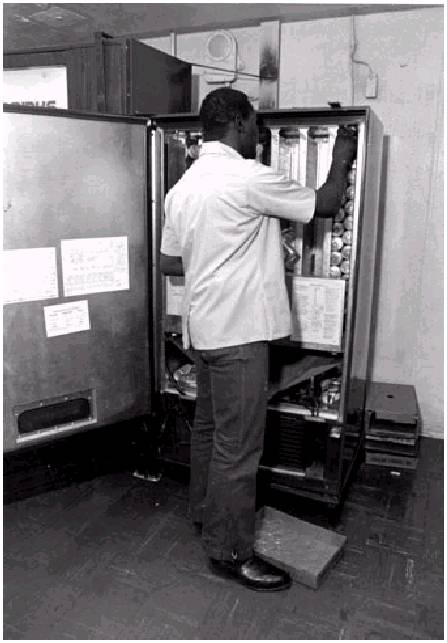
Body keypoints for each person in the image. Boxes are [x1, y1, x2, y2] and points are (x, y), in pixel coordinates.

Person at [160, 88, 356, 591]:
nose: (258, 135)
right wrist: (342, 153)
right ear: (240, 124)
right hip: (240, 334)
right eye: (255, 125)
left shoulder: (183, 188)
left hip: (204, 331)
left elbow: (168, 262)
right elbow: (326, 204)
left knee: (210, 431)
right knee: (239, 448)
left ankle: (207, 515)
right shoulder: (248, 177)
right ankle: (230, 552)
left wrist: (217, 255)